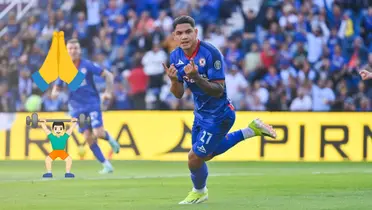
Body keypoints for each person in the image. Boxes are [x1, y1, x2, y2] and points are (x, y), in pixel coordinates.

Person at [163, 16, 277, 205]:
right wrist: (174, 81)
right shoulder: (176, 56)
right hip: (200, 114)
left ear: (196, 32)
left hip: (219, 115)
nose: (184, 36)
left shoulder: (210, 53)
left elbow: (219, 90)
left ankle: (199, 192)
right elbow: (178, 94)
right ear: (174, 36)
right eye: (179, 33)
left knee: (194, 157)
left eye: (188, 32)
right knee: (203, 156)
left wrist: (197, 78)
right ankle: (251, 130)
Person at [52, 39, 120, 174]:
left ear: (80, 50)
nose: (73, 51)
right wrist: (55, 93)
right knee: (88, 137)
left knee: (98, 133)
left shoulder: (87, 65)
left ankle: (110, 139)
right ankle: (106, 165)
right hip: (76, 108)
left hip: (92, 104)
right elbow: (57, 87)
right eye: (70, 48)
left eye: (75, 48)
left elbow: (108, 75)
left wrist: (108, 92)